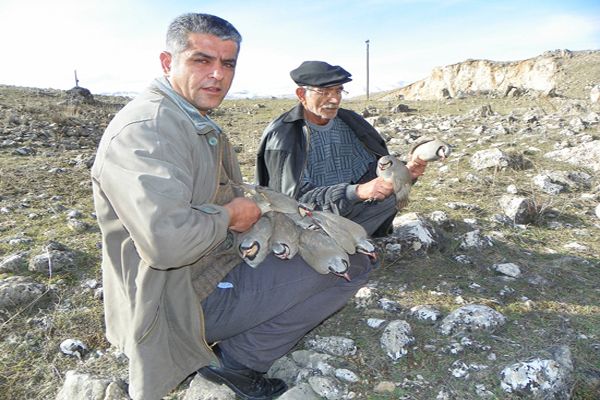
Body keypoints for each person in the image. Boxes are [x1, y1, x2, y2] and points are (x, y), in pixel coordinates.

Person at [91, 13, 373, 400]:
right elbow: (166, 243)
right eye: (201, 60)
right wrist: (231, 215)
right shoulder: (147, 131)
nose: (217, 75)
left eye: (227, 64)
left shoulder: (190, 119)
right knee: (353, 265)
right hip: (173, 302)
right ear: (166, 62)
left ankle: (236, 340)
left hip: (210, 267)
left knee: (341, 248)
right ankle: (237, 363)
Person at [256, 60, 427, 237]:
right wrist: (355, 192)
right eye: (324, 92)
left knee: (391, 198)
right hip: (307, 222)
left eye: (338, 91)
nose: (335, 99)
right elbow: (288, 202)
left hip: (348, 213)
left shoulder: (350, 122)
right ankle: (335, 247)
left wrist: (403, 173)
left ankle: (350, 243)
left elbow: (373, 173)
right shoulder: (283, 135)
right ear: (301, 94)